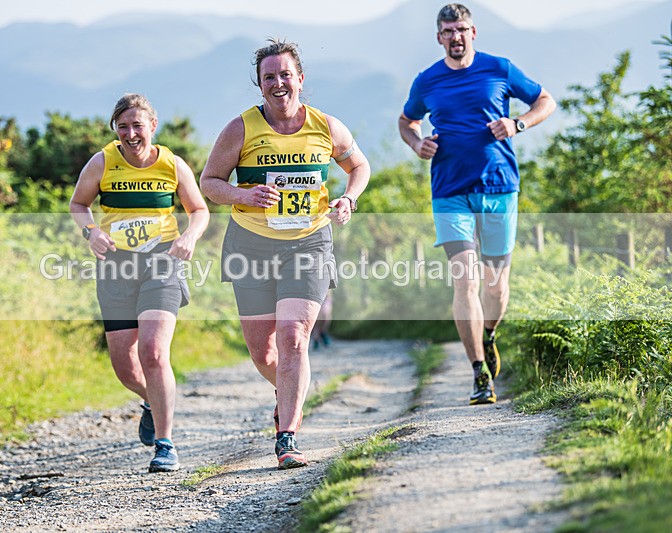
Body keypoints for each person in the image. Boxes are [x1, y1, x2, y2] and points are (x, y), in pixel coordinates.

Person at [200, 39, 370, 469]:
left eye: (285, 75)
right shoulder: (240, 129)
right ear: (260, 85)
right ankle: (286, 390)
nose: (278, 83)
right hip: (251, 244)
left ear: (301, 79)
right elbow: (210, 182)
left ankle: (287, 437)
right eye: (269, 77)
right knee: (264, 353)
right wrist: (244, 194)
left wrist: (348, 198)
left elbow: (359, 166)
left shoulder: (326, 126)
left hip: (309, 242)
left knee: (293, 336)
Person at [398, 4, 556, 405]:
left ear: (473, 32)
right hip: (449, 191)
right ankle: (478, 373)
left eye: (462, 29)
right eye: (448, 31)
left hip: (499, 187)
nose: (456, 36)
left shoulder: (499, 68)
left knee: (496, 284)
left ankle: (488, 333)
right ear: (439, 37)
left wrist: (517, 123)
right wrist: (417, 143)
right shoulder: (427, 81)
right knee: (465, 279)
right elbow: (407, 121)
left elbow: (545, 101)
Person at [70, 93, 209, 473]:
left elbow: (199, 210)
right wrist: (91, 232)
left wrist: (189, 237)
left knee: (153, 351)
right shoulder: (102, 162)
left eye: (137, 125)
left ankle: (165, 444)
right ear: (115, 129)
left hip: (162, 262)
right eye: (123, 127)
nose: (131, 134)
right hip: (116, 266)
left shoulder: (172, 164)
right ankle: (154, 399)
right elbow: (78, 205)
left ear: (153, 126)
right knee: (126, 367)